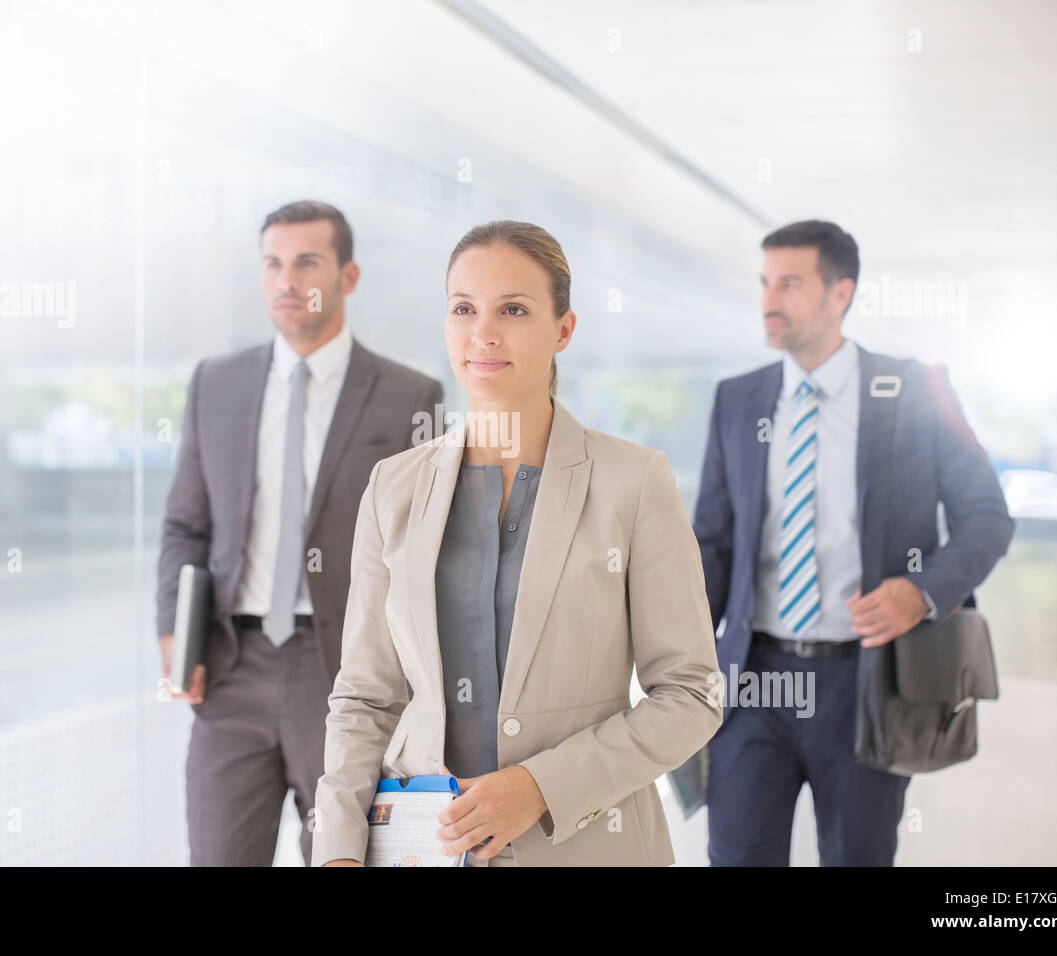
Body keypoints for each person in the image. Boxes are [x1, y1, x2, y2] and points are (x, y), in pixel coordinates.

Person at [312, 220, 720, 867]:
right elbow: (365, 696)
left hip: (588, 845)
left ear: (564, 329)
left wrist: (540, 788)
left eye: (514, 309)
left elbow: (691, 694)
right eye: (464, 308)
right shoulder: (393, 487)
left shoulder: (634, 482)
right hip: (423, 845)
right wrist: (336, 850)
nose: (484, 333)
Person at [693, 219, 1014, 865]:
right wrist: (675, 661)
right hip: (754, 682)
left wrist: (922, 591)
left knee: (857, 857)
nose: (768, 300)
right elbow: (712, 544)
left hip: (866, 681)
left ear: (841, 293)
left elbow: (987, 517)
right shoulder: (739, 399)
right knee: (734, 856)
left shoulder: (916, 391)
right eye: (764, 282)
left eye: (789, 283)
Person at [155, 200, 444, 866]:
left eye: (307, 262)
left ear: (348, 276)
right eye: (273, 264)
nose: (288, 280)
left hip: (347, 673)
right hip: (230, 669)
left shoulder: (410, 397)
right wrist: (175, 629)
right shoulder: (216, 384)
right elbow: (184, 525)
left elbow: (425, 553)